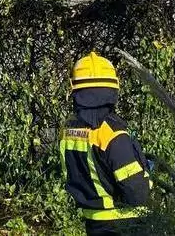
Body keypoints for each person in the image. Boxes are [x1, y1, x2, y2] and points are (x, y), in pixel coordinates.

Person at [60, 52, 155, 236]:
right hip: (124, 223)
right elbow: (136, 192)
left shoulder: (67, 130)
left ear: (75, 90)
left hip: (94, 221)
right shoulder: (111, 133)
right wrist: (149, 178)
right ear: (113, 90)